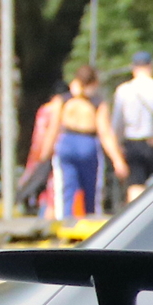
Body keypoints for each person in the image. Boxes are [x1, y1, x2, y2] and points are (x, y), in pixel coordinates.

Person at [52, 64, 125, 220]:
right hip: (88, 143)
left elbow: (53, 128)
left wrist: (44, 153)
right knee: (92, 191)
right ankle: (92, 222)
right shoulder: (97, 103)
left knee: (66, 189)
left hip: (66, 142)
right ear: (94, 83)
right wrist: (117, 160)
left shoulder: (63, 100)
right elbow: (105, 132)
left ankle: (64, 221)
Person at [110, 51, 153, 201]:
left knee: (135, 184)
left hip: (132, 143)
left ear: (133, 68)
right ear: (151, 66)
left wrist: (118, 146)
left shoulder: (123, 90)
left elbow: (116, 124)